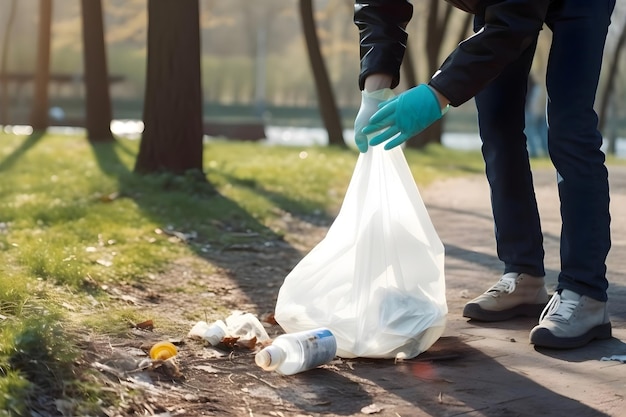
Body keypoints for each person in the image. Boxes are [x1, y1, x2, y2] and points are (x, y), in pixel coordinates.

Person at [353, 0, 616, 349]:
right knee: (497, 124)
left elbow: (515, 22)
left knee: (569, 128)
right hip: (500, 5)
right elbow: (380, 6)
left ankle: (585, 292)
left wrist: (438, 93)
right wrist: (374, 91)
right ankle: (523, 274)